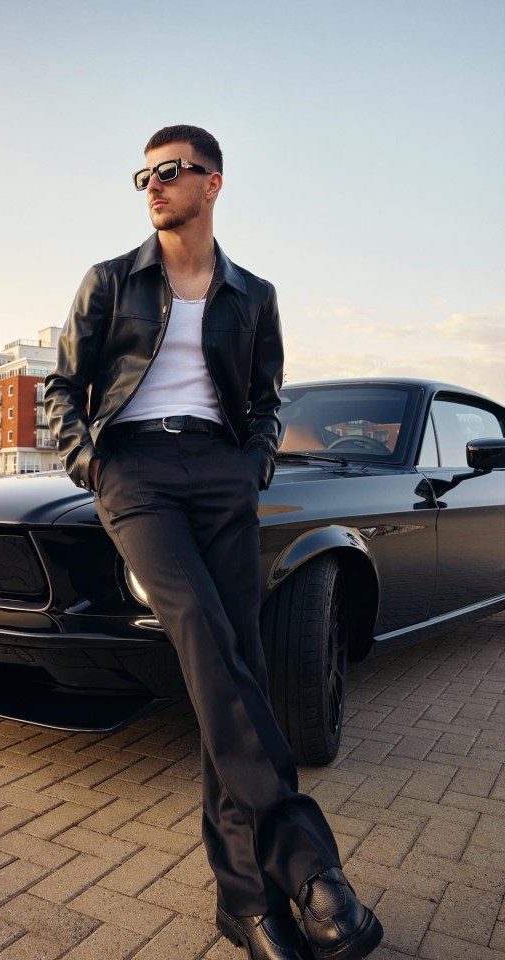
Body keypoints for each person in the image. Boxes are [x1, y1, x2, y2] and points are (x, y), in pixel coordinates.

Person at [44, 125, 383, 960]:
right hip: (138, 474)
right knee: (200, 630)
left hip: (222, 474)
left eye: (170, 172)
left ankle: (244, 902)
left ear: (213, 183)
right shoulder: (109, 281)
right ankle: (309, 864)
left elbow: (268, 399)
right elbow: (61, 385)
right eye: (143, 175)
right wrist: (94, 465)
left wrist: (255, 463)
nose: (153, 186)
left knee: (235, 665)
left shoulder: (253, 295)